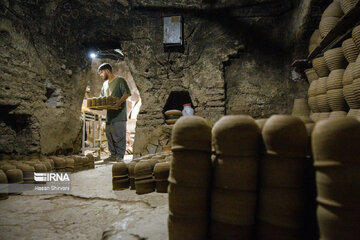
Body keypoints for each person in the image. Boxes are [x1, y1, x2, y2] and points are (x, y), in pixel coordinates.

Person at [98, 63, 131, 162]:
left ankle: (120, 157)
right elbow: (102, 98)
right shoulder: (105, 84)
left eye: (101, 72)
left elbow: (127, 93)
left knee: (119, 136)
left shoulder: (120, 80)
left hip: (119, 115)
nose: (100, 75)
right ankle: (113, 155)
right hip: (109, 116)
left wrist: (119, 102)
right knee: (110, 136)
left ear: (108, 71)